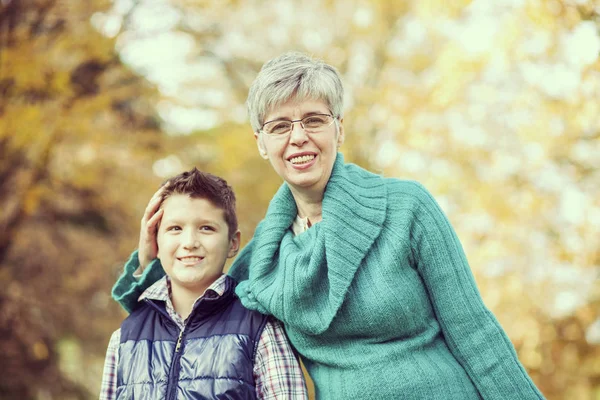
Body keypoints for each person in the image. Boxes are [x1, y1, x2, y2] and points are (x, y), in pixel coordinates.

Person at [112, 52, 545, 399]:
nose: (297, 137)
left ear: (339, 129)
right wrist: (147, 261)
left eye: (314, 120)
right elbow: (191, 313)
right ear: (262, 144)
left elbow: (475, 334)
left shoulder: (407, 206)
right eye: (279, 126)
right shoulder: (267, 253)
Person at [100, 168, 307, 400]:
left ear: (232, 243)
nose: (189, 242)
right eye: (175, 228)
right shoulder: (125, 338)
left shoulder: (260, 329)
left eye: (206, 228)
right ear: (155, 239)